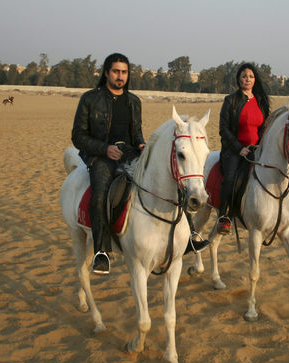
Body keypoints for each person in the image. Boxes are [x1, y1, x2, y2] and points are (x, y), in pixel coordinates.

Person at [72, 53, 207, 275]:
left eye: (124, 72)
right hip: (101, 157)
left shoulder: (133, 101)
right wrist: (104, 149)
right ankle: (101, 251)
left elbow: (136, 133)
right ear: (106, 72)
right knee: (99, 195)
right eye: (116, 71)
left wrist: (142, 145)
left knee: (173, 183)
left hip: (129, 153)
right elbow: (78, 136)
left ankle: (190, 236)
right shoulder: (90, 99)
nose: (120, 76)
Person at [217, 63, 270, 234]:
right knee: (231, 178)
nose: (247, 79)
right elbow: (223, 129)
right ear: (238, 79)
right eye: (244, 76)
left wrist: (261, 145)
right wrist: (239, 148)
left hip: (257, 149)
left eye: (251, 76)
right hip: (234, 150)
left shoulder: (261, 101)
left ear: (255, 80)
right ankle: (224, 216)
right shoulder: (230, 100)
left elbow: (264, 126)